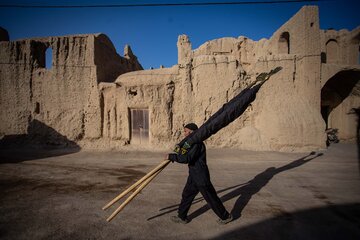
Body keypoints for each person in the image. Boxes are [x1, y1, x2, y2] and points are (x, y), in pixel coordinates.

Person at [166, 123, 233, 225]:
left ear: (191, 131)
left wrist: (171, 157)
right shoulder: (190, 142)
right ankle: (182, 217)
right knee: (187, 194)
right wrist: (176, 149)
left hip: (201, 176)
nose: (184, 133)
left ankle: (225, 216)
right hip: (194, 175)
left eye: (185, 131)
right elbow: (182, 152)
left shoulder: (196, 143)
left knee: (211, 198)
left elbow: (186, 158)